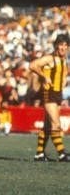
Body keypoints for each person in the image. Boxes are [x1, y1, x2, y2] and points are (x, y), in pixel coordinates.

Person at [29, 33, 70, 162]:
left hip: (57, 94)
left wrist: (62, 89)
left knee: (47, 126)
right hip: (49, 93)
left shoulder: (64, 60)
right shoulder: (49, 58)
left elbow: (64, 75)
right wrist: (44, 76)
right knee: (56, 124)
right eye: (61, 44)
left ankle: (39, 154)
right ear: (56, 45)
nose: (63, 47)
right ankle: (62, 154)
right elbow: (32, 65)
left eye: (65, 45)